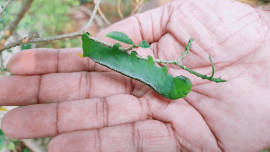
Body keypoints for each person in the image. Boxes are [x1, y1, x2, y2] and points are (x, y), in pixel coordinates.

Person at [1, 0, 270, 151]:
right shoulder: (166, 79)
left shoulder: (163, 78)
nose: (184, 78)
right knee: (121, 61)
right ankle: (91, 48)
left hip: (103, 54)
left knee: (121, 61)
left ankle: (91, 49)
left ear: (173, 82)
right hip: (103, 54)